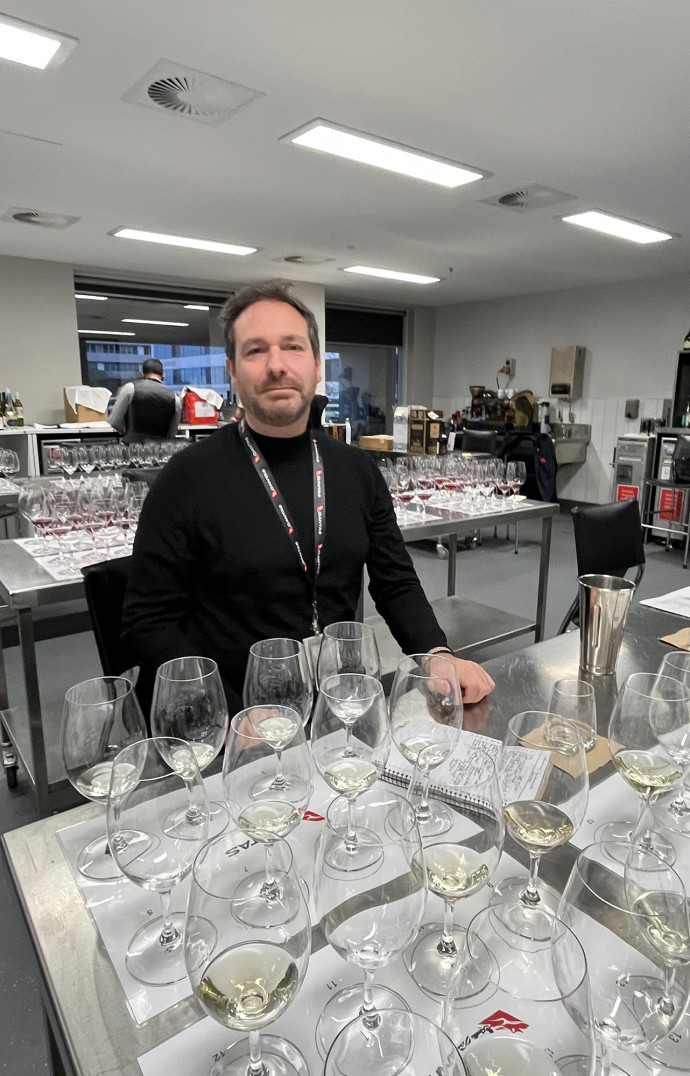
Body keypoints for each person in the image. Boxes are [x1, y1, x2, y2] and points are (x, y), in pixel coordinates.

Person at [121, 281, 494, 714]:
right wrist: (228, 710)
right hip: (233, 714)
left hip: (338, 703)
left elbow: (396, 582)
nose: (277, 365)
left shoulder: (357, 471)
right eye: (256, 350)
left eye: (292, 347)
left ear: (317, 366)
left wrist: (436, 653)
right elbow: (147, 623)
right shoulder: (186, 479)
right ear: (232, 371)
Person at [108, 358, 181, 444]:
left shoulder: (130, 388)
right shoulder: (175, 399)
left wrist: (128, 433)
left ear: (142, 375)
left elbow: (114, 421)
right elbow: (172, 433)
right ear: (163, 376)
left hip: (133, 446)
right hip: (161, 448)